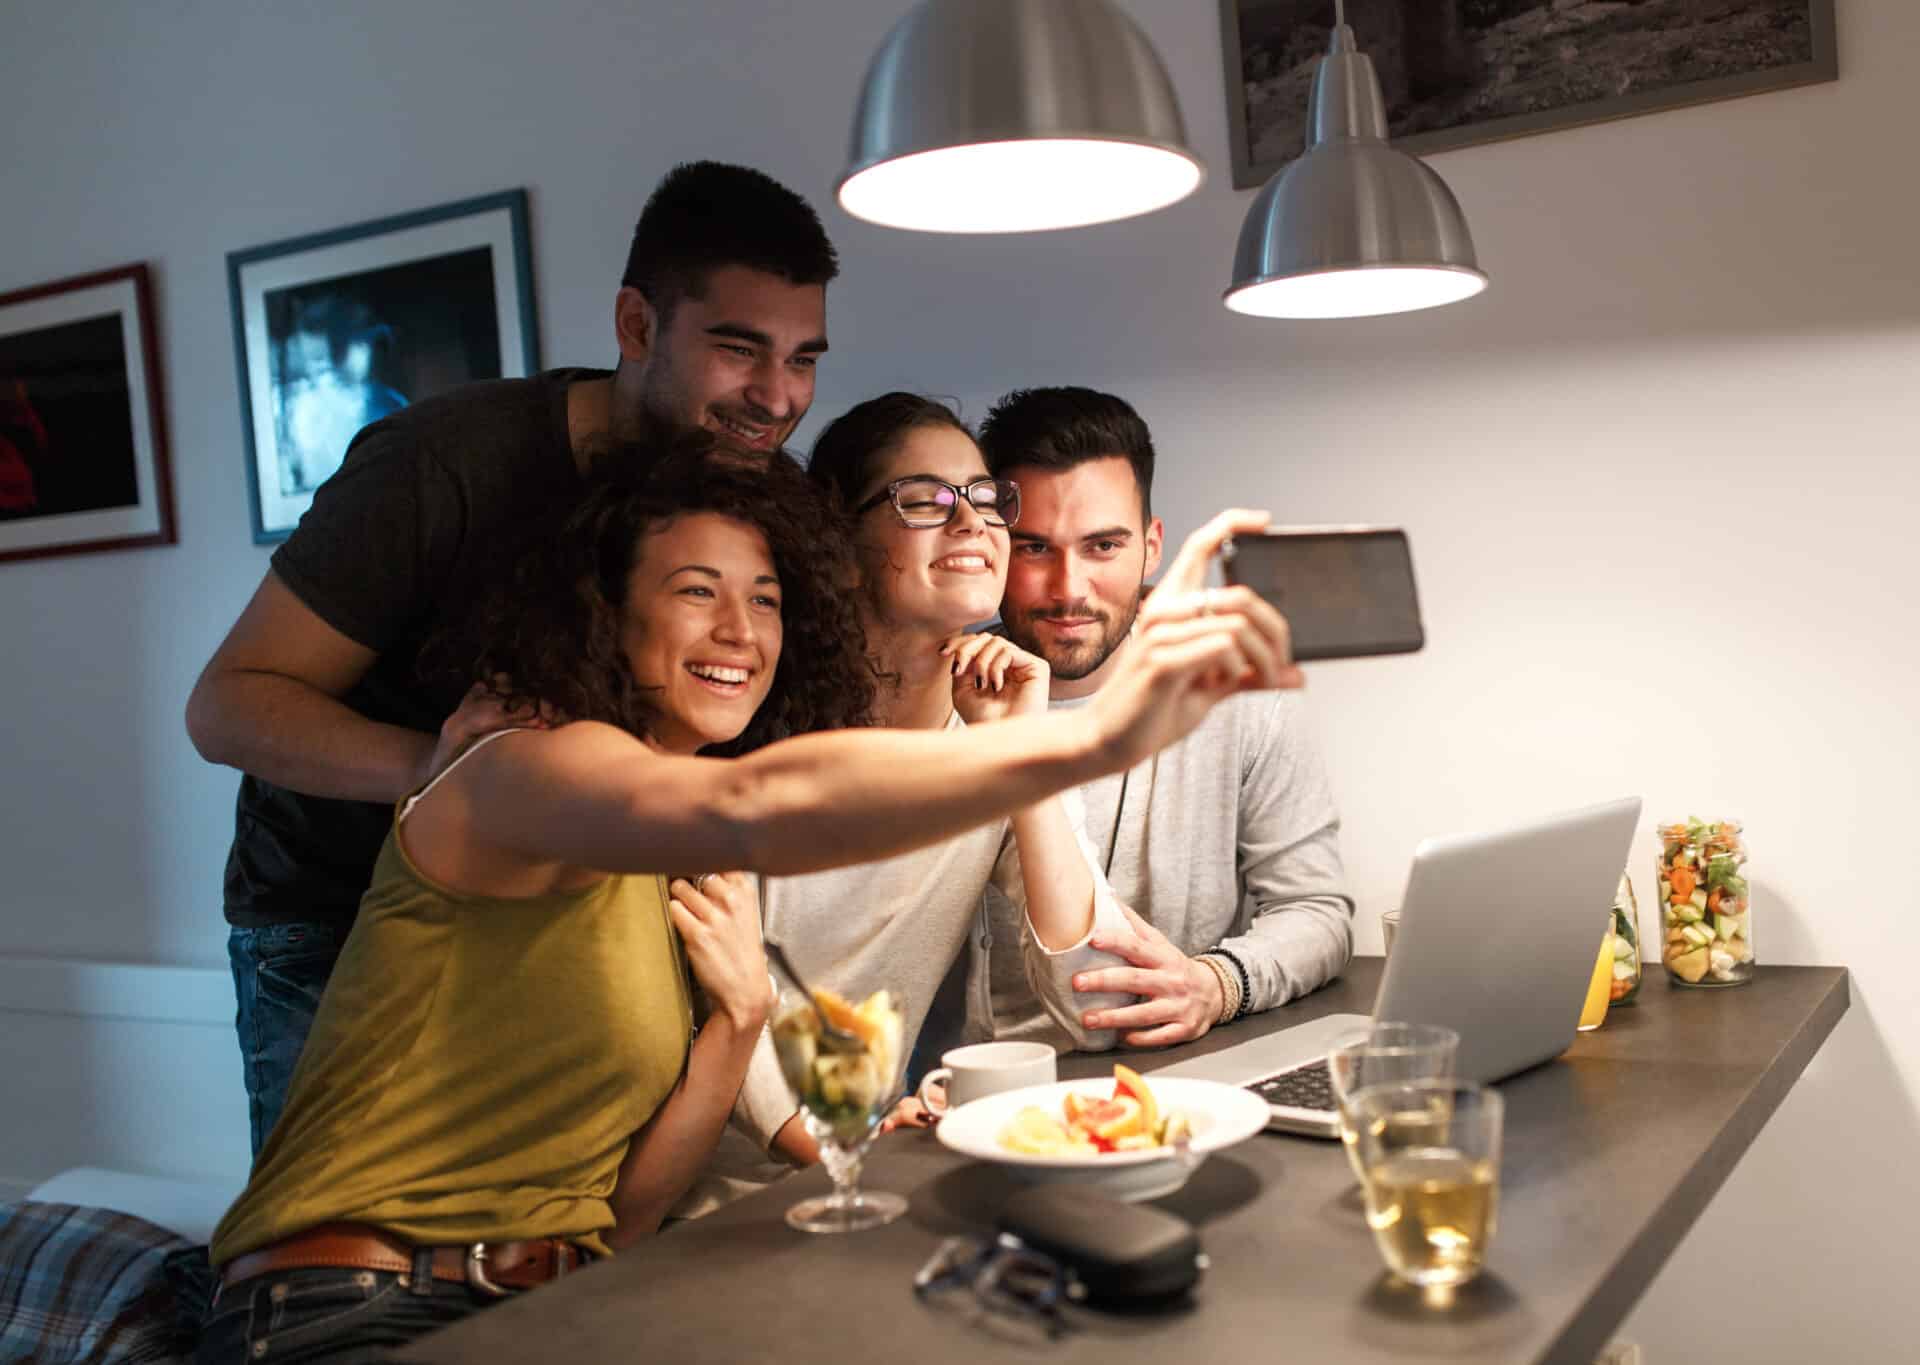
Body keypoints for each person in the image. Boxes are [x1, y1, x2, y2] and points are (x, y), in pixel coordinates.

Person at [199, 435, 1297, 1363]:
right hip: (352, 1310)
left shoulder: (661, 864)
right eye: (696, 592)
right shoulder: (524, 766)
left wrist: (731, 1022)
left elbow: (618, 1219)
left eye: (765, 599)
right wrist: (1090, 738)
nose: (740, 631)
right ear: (604, 614)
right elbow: (752, 802)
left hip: (547, 1301)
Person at [184, 160, 839, 1157]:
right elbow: (227, 706)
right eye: (740, 350)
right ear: (635, 327)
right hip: (336, 917)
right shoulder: (440, 466)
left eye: (803, 360)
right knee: (346, 1254)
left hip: (556, 918)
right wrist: (439, 769)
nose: (776, 397)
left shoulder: (743, 487)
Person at [680, 392, 1219, 1207]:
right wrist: (837, 1140)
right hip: (716, 1197)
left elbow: (1095, 995)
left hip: (877, 1178)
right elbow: (722, 999)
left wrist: (1020, 757)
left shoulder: (989, 740)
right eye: (925, 499)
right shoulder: (743, 719)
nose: (972, 521)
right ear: (839, 539)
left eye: (984, 497)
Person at [972, 386, 1354, 1050]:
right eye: (1034, 548)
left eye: (1102, 546)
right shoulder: (948, 695)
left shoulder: (1232, 678)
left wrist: (1217, 984)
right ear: (993, 546)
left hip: (1187, 1076)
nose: (1068, 588)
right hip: (982, 1097)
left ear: (1152, 547)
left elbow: (1316, 910)